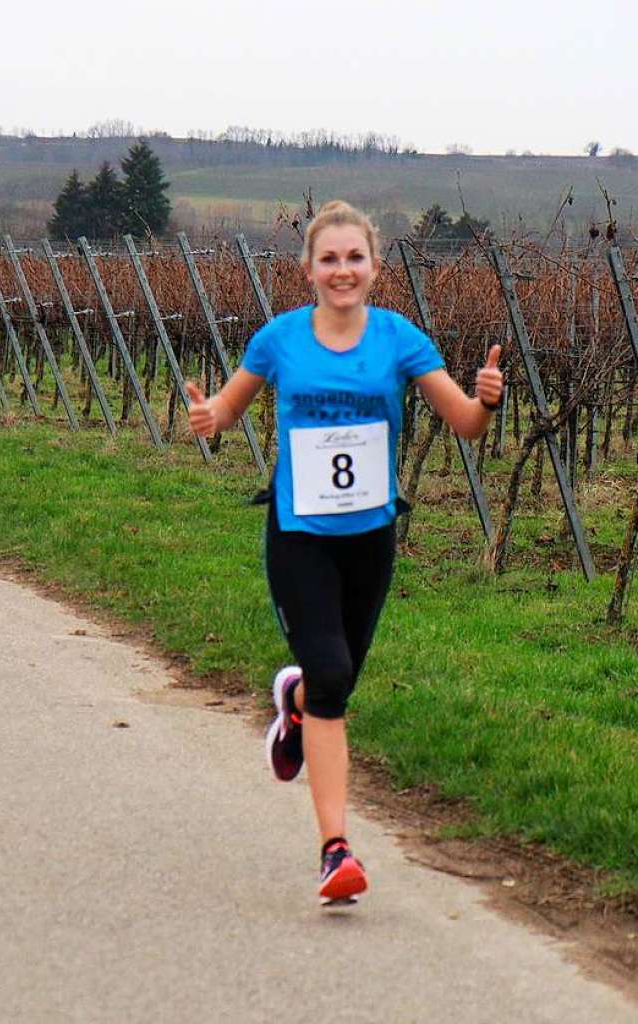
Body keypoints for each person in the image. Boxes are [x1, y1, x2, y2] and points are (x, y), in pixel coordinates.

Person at [186, 200, 503, 906]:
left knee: (335, 680)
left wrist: (487, 401)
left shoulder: (397, 338)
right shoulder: (278, 340)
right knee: (331, 673)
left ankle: (294, 700)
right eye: (327, 259)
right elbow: (229, 412)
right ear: (307, 270)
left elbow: (465, 425)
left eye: (353, 258)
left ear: (375, 267)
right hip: (299, 536)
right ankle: (336, 851)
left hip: (370, 538)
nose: (341, 270)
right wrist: (208, 418)